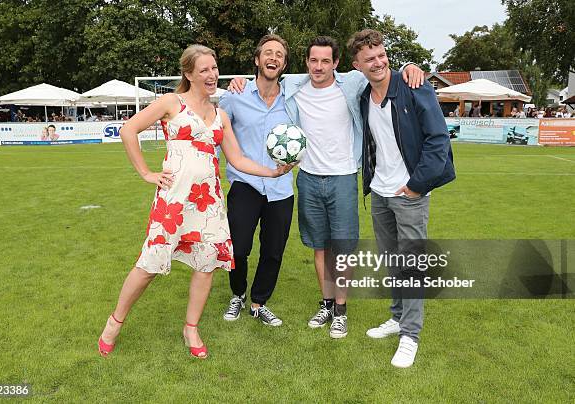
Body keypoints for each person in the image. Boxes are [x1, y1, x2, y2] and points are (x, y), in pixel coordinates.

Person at [97, 44, 293, 359]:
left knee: (205, 266)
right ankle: (114, 322)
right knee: (149, 264)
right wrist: (146, 173)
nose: (212, 75)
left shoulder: (221, 115)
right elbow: (128, 130)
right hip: (173, 202)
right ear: (189, 74)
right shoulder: (170, 103)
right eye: (204, 70)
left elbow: (239, 159)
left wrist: (272, 172)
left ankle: (191, 328)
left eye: (214, 68)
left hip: (208, 203)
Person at [230, 36, 424, 339]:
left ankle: (341, 311)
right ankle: (327, 303)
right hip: (307, 178)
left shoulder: (352, 84)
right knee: (320, 247)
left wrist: (410, 66)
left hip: (343, 177)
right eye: (313, 60)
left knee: (343, 249)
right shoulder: (294, 86)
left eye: (325, 61)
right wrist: (239, 80)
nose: (318, 67)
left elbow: (380, 72)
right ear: (306, 63)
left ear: (336, 63)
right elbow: (265, 76)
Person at [348, 29, 455, 368]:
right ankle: (397, 319)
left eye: (381, 54)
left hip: (409, 194)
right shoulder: (364, 95)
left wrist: (416, 185)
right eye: (369, 58)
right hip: (380, 193)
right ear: (357, 65)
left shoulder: (415, 86)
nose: (378, 62)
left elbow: (438, 140)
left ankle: (410, 334)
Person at [219, 34, 294, 326]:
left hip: (280, 189)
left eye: (279, 55)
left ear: (284, 64)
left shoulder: (292, 99)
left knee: (273, 250)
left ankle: (259, 302)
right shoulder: (235, 96)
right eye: (268, 53)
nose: (273, 58)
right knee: (238, 247)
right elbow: (215, 134)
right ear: (257, 59)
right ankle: (237, 294)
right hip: (245, 184)